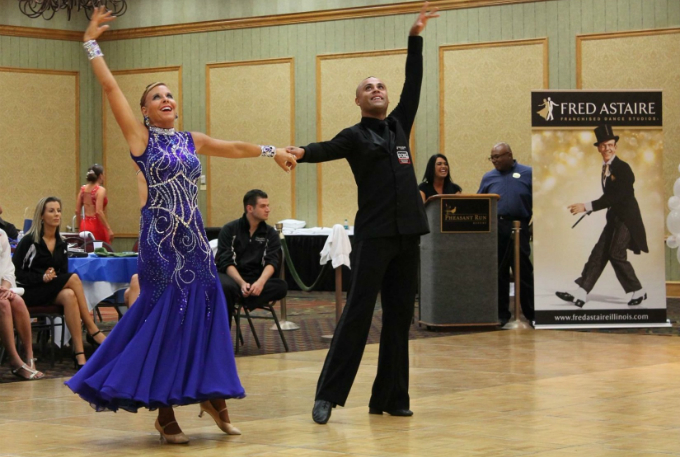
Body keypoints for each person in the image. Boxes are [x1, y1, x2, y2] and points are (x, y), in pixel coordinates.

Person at [65, 7, 297, 445]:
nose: (166, 100)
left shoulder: (190, 140)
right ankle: (165, 412)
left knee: (208, 312)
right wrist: (90, 43)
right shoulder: (142, 140)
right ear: (145, 112)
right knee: (167, 318)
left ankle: (212, 395)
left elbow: (232, 145)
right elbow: (110, 86)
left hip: (193, 241)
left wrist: (273, 150)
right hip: (161, 241)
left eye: (170, 95)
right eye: (157, 97)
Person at [287, 2, 438, 425]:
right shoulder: (354, 135)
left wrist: (415, 37)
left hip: (409, 234)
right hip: (373, 236)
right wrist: (298, 152)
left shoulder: (400, 125)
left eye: (381, 86)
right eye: (368, 87)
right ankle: (328, 396)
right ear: (357, 100)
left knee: (398, 319)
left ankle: (390, 397)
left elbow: (415, 81)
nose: (377, 90)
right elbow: (323, 149)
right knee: (356, 314)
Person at [556, 125, 648, 308]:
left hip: (627, 220)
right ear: (598, 148)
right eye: (604, 145)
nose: (608, 148)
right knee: (599, 253)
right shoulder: (606, 167)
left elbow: (617, 196)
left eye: (611, 145)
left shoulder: (623, 168)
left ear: (616, 146)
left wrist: (587, 206)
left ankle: (638, 290)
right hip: (614, 218)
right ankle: (581, 291)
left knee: (616, 254)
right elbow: (610, 197)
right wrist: (591, 208)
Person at [12, 197, 107, 369]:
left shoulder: (61, 243)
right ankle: (92, 328)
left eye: (58, 210)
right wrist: (41, 277)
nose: (57, 214)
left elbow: (61, 273)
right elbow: (16, 273)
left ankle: (79, 354)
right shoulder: (29, 241)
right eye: (51, 211)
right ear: (41, 216)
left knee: (70, 295)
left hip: (48, 290)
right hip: (28, 292)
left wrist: (52, 276)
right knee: (74, 279)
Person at [477, 142, 534, 325]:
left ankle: (531, 314)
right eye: (492, 157)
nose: (494, 161)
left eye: (497, 157)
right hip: (498, 228)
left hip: (520, 226)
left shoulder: (528, 173)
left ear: (509, 155)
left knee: (523, 271)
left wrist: (534, 226)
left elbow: (541, 200)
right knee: (499, 272)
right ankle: (502, 315)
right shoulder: (488, 177)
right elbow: (480, 203)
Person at [216, 189, 287, 326]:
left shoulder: (270, 233)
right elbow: (226, 261)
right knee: (224, 287)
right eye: (263, 206)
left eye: (268, 205)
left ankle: (243, 297)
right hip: (231, 277)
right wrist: (241, 283)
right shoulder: (229, 229)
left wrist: (260, 283)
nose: (268, 209)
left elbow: (271, 262)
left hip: (255, 279)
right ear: (250, 208)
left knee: (281, 286)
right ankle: (224, 334)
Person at [0, 228, 44, 380]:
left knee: (17, 301)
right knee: (3, 305)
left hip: (0, 287)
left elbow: (8, 270)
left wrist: (5, 287)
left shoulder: (1, 234)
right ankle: (15, 361)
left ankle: (29, 357)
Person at [76, 164, 113, 243]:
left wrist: (79, 226)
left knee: (86, 250)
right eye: (104, 174)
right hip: (97, 225)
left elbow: (77, 211)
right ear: (100, 176)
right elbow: (99, 211)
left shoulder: (82, 189)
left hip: (84, 224)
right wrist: (109, 229)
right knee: (101, 250)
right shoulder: (100, 190)